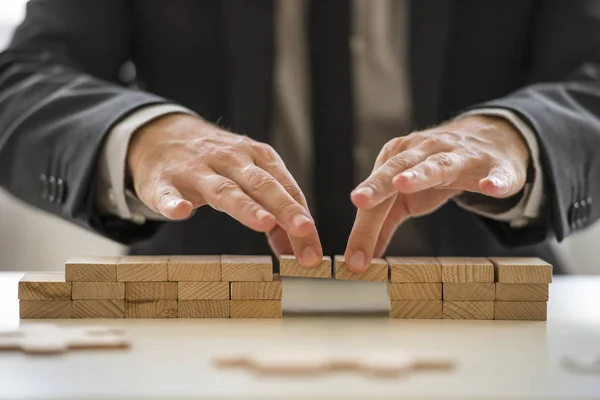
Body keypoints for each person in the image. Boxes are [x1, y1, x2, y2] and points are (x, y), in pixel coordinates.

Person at [0, 0, 599, 274]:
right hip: (198, 309)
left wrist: (515, 135)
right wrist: (141, 137)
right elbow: (24, 81)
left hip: (492, 303)